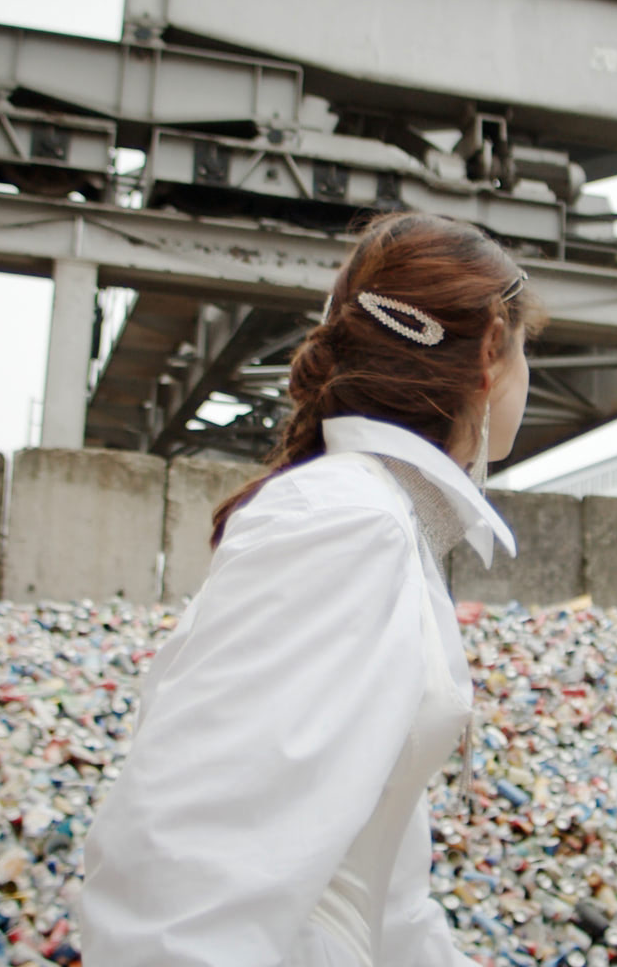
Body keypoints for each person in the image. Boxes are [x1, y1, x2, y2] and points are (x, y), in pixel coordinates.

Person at [80, 211, 543, 966]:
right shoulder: (347, 521)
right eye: (531, 351)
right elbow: (183, 883)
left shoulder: (377, 519)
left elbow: (386, 896)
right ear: (492, 348)